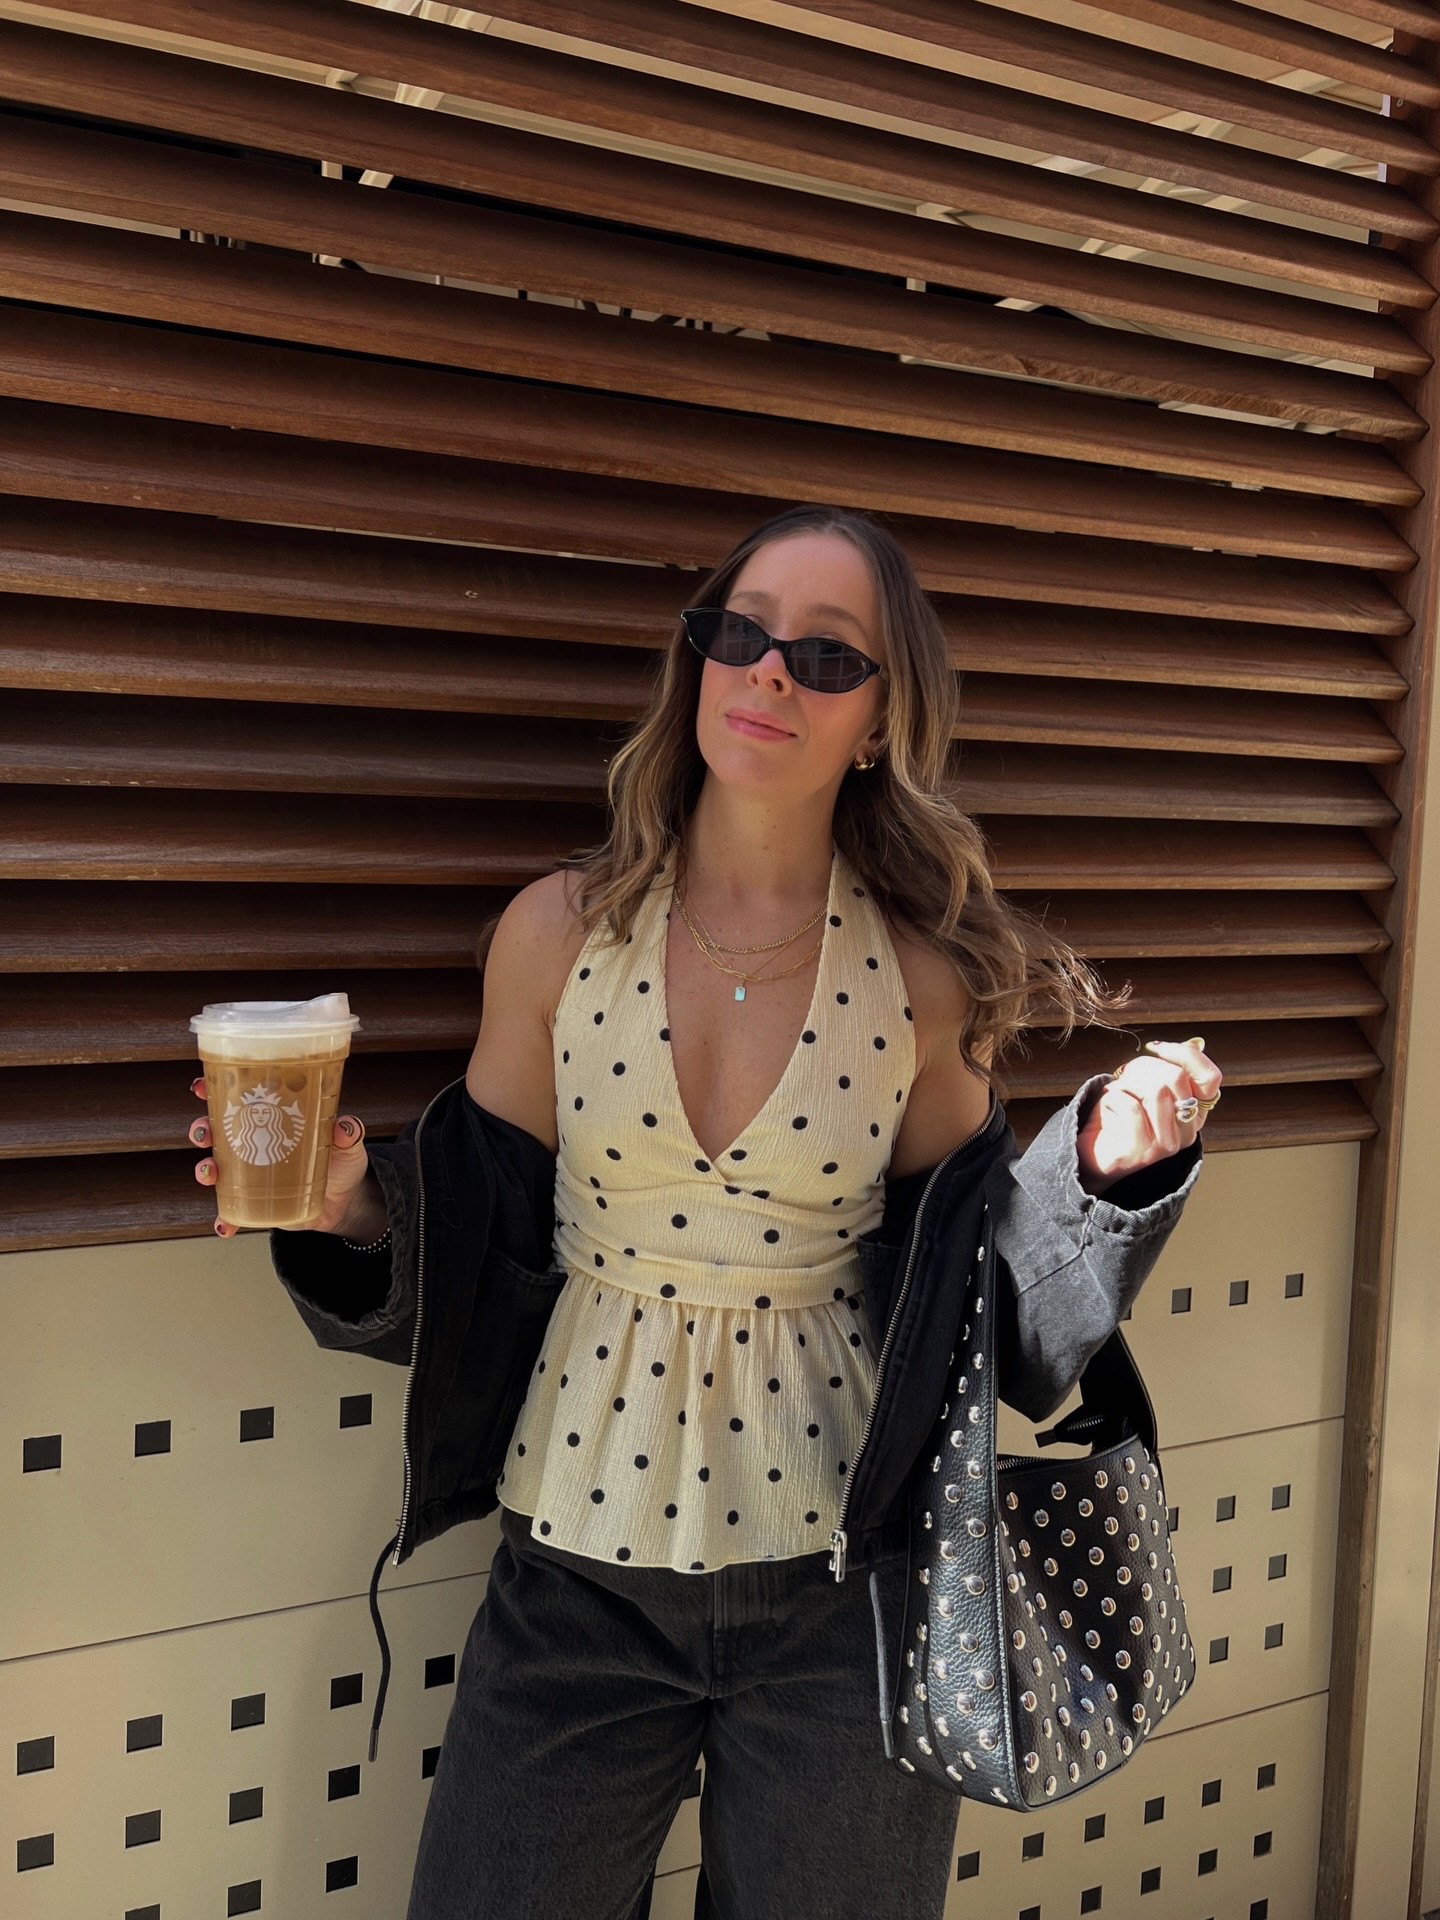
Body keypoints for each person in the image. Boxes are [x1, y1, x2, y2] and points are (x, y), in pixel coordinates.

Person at [189, 505, 1220, 1920]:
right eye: (740, 633)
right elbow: (481, 1245)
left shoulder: (924, 983)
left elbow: (983, 1312)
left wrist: (1103, 1168)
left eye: (826, 652)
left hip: (844, 1595)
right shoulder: (555, 934)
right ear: (697, 665)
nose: (770, 670)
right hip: (573, 1581)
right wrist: (350, 1204)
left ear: (883, 721)